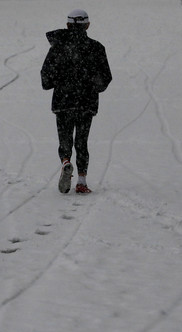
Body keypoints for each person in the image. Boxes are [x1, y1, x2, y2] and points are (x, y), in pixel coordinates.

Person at [41, 9, 112, 194]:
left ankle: (66, 162)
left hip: (63, 102)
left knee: (65, 139)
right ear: (88, 25)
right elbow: (105, 77)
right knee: (82, 141)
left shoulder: (57, 47)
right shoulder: (96, 48)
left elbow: (46, 77)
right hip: (86, 102)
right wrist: (92, 86)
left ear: (67, 25)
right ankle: (81, 181)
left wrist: (61, 82)